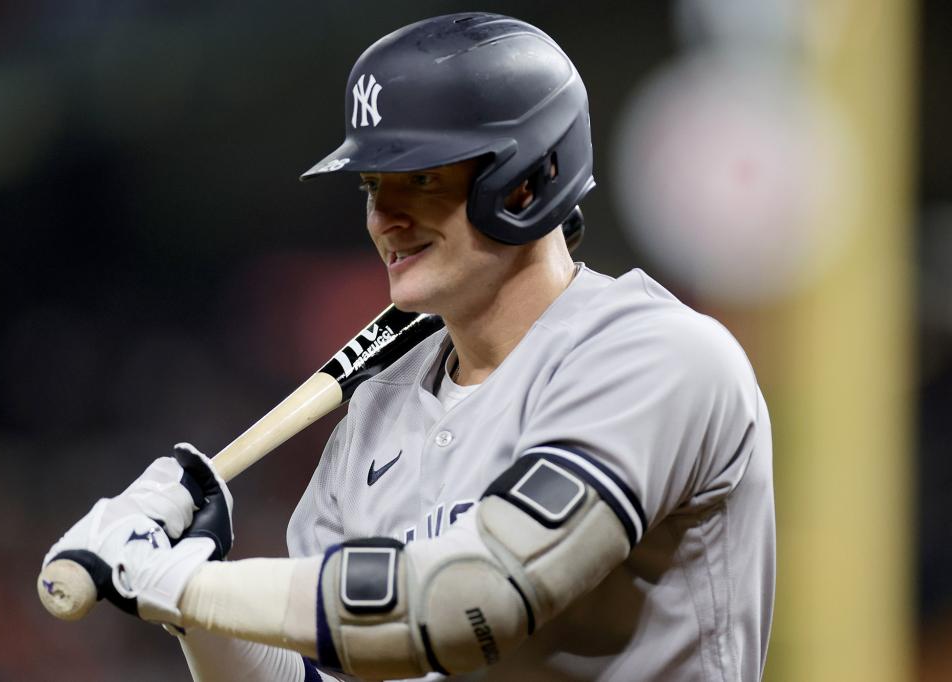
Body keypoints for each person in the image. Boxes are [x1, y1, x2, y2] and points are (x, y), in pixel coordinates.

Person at [44, 12, 775, 681]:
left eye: (420, 178)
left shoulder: (657, 358)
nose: (384, 219)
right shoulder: (377, 415)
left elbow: (473, 602)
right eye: (372, 183)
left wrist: (179, 582)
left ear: (527, 182)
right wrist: (188, 599)